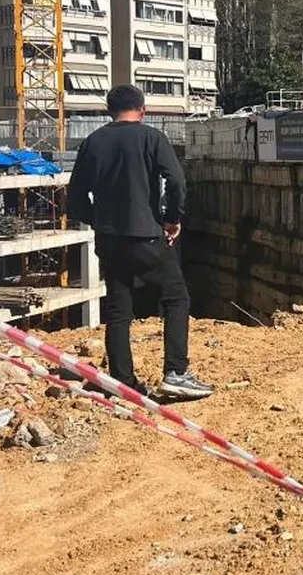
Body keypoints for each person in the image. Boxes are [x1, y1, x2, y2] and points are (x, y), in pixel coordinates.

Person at [67, 85, 213, 399]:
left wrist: (99, 220)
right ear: (142, 109)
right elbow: (176, 180)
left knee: (119, 310)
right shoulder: (151, 138)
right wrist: (172, 219)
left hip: (109, 239)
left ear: (109, 111)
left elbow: (75, 198)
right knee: (176, 297)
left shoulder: (92, 143)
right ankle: (176, 371)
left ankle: (123, 381)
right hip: (145, 235)